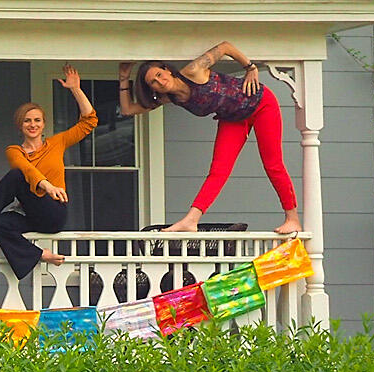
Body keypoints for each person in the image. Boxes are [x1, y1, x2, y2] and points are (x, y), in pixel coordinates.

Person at [119, 43, 299, 235]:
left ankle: (293, 219)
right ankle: (191, 220)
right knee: (218, 171)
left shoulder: (193, 71)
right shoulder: (171, 98)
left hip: (260, 102)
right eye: (153, 82)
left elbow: (225, 47)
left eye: (160, 74)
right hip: (233, 118)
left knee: (273, 164)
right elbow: (128, 109)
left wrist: (250, 67)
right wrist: (123, 78)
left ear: (168, 71)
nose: (160, 81)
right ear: (153, 89)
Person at [0, 66, 97, 278]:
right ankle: (40, 254)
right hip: (31, 214)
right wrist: (46, 184)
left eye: (37, 120)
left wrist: (75, 89)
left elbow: (90, 121)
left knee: (13, 181)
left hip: (54, 211)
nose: (32, 124)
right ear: (20, 125)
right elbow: (26, 169)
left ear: (44, 124)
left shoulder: (57, 143)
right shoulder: (14, 151)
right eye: (27, 120)